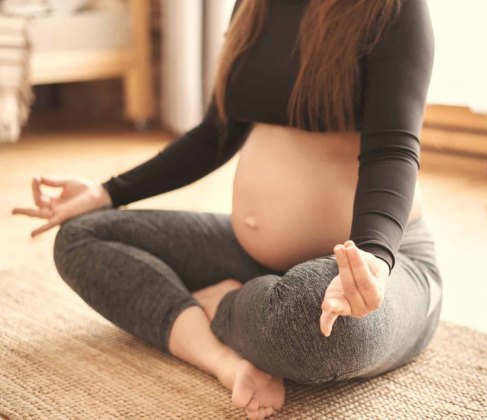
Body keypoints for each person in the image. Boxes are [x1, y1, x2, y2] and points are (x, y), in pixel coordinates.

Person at [11, 0, 443, 418]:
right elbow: (217, 132)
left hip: (375, 265)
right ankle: (223, 356)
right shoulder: (254, 4)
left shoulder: (392, 7)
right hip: (253, 257)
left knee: (312, 328)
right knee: (80, 237)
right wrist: (108, 192)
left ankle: (226, 304)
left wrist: (374, 257)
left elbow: (393, 151)